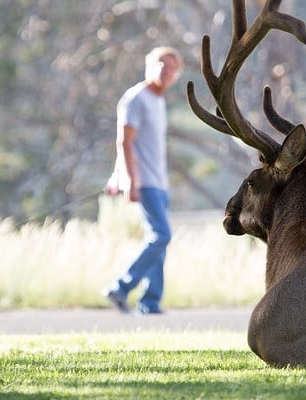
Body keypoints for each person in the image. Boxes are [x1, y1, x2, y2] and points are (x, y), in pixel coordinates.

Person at [102, 46, 182, 315]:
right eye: (162, 65)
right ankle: (121, 287)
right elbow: (124, 141)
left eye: (172, 68)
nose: (166, 71)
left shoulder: (157, 100)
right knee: (162, 236)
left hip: (160, 182)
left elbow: (133, 144)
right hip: (144, 181)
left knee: (158, 240)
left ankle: (150, 301)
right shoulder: (136, 98)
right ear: (149, 66)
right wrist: (129, 180)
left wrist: (116, 176)